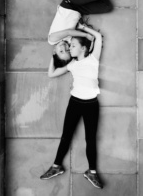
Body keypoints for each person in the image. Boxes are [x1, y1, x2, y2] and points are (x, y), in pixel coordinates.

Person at [40, 23, 104, 189]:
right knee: (66, 136)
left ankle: (92, 172)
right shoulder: (71, 65)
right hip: (75, 103)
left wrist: (83, 28)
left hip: (91, 105)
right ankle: (56, 166)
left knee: (90, 139)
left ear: (83, 48)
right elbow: (51, 74)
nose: (70, 48)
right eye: (70, 46)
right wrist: (54, 54)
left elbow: (97, 37)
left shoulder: (93, 58)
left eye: (73, 45)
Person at [48, 0, 113, 68]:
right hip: (80, 10)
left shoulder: (52, 39)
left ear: (54, 52)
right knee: (107, 7)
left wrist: (86, 35)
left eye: (61, 51)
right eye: (67, 50)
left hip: (70, 3)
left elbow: (68, 31)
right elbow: (82, 42)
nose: (64, 47)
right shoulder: (69, 41)